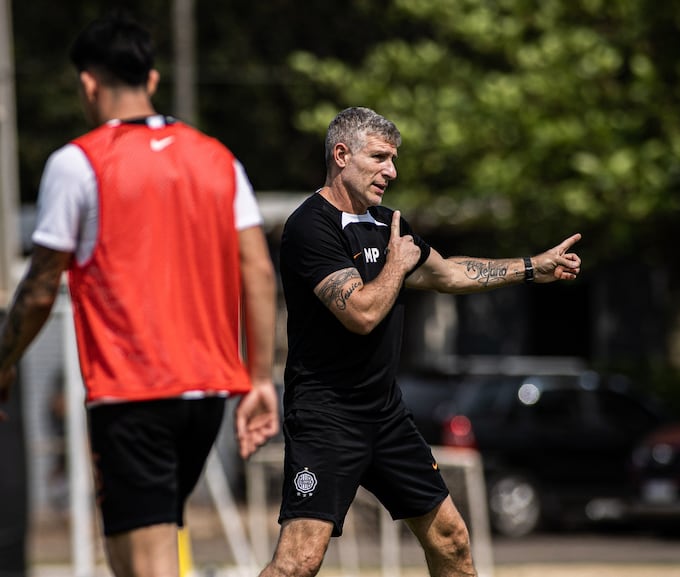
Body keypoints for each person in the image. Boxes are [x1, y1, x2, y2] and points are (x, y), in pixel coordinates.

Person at [0, 13, 279, 577]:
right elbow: (259, 272)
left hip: (133, 396)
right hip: (206, 398)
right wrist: (261, 377)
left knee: (147, 563)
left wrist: (2, 366)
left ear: (87, 83)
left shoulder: (76, 163)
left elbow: (37, 290)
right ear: (152, 81)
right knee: (133, 555)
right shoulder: (218, 158)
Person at [266, 106, 582, 577]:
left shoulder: (389, 224)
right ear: (341, 154)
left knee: (452, 541)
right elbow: (361, 313)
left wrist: (534, 267)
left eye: (394, 159)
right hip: (326, 415)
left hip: (385, 415)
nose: (391, 171)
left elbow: (451, 272)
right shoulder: (310, 227)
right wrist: (397, 264)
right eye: (379, 158)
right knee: (299, 563)